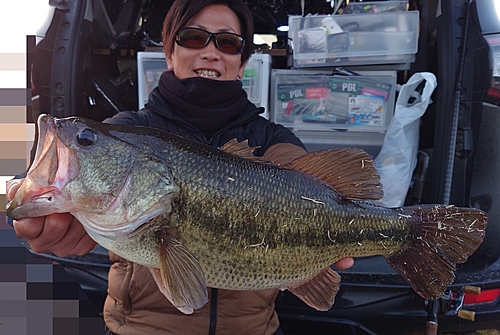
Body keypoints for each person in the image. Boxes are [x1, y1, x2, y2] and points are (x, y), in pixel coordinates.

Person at [7, 0, 354, 334]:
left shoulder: (274, 138)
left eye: (228, 42)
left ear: (243, 61)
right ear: (169, 52)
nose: (210, 51)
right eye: (193, 37)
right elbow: (49, 187)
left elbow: (303, 184)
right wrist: (41, 212)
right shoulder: (127, 128)